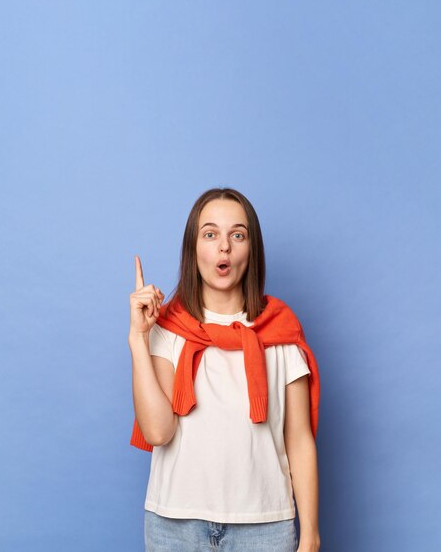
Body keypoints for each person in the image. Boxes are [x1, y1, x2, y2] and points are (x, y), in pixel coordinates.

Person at [128, 187, 321, 552]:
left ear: (252, 249)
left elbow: (299, 439)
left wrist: (310, 535)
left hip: (265, 528)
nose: (224, 247)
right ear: (193, 249)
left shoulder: (280, 331)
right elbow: (157, 431)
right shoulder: (169, 329)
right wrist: (139, 338)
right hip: (175, 525)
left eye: (237, 234)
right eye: (210, 234)